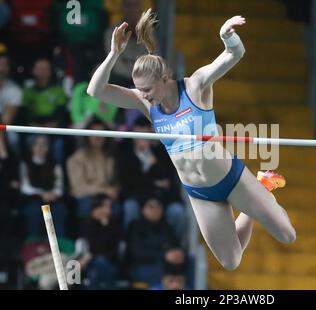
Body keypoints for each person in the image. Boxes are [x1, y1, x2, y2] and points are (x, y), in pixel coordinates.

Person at [87, 9, 296, 270]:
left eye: (147, 89)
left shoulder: (196, 86)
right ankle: (256, 197)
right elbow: (95, 90)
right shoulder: (145, 102)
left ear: (165, 79)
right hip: (200, 193)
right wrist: (114, 54)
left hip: (231, 179)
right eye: (139, 90)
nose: (143, 95)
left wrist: (226, 37)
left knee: (288, 235)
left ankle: (259, 188)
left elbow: (235, 54)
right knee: (231, 261)